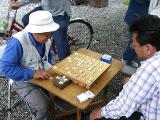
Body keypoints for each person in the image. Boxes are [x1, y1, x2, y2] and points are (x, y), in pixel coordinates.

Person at [89, 14, 160, 120]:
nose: (132, 47)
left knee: (98, 117)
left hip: (148, 115)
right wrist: (133, 81)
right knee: (127, 83)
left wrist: (100, 112)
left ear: (148, 49)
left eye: (134, 44)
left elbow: (122, 107)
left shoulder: (150, 69)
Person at [0, 10, 59, 120]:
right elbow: (5, 68)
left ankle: (63, 112)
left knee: (61, 90)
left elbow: (47, 57)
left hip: (41, 72)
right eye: (47, 34)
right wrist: (32, 73)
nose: (49, 37)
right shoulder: (17, 42)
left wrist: (50, 70)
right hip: (21, 79)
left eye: (51, 33)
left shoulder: (45, 39)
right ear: (35, 32)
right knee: (43, 106)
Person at [122, 0, 150, 67]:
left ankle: (129, 59)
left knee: (138, 38)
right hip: (137, 14)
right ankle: (127, 60)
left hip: (139, 13)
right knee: (136, 39)